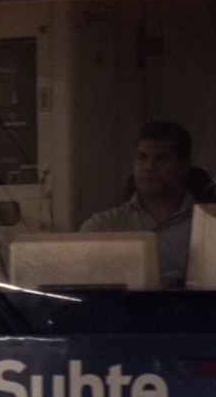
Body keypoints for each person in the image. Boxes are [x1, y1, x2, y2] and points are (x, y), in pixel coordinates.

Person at [80, 122, 196, 288]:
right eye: (142, 158)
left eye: (162, 159)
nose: (149, 167)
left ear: (184, 166)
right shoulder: (103, 226)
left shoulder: (207, 228)